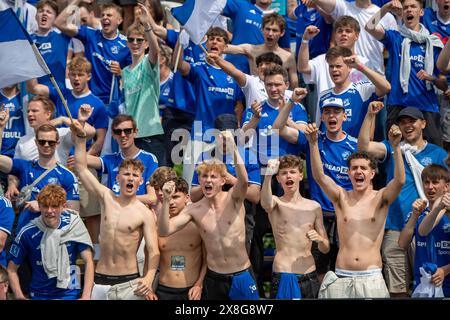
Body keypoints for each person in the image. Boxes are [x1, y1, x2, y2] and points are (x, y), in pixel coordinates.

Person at [304, 121, 405, 298]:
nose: (359, 172)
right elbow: (320, 177)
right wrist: (313, 144)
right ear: (348, 173)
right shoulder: (341, 197)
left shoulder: (381, 198)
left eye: (363, 168)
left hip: (371, 277)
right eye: (354, 168)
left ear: (372, 173)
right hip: (342, 275)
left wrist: (396, 148)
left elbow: (399, 181)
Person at [358, 101, 448, 297]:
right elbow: (363, 147)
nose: (407, 125)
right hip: (394, 226)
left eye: (412, 121)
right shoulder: (391, 146)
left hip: (426, 230)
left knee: (425, 287)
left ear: (423, 124)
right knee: (396, 291)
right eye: (403, 122)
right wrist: (370, 115)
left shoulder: (438, 153)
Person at [158, 131, 259, 300]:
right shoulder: (194, 209)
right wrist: (166, 201)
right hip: (214, 278)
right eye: (204, 176)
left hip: (240, 274)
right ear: (199, 179)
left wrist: (234, 149)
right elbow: (164, 231)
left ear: (223, 181)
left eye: (213, 176)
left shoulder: (234, 199)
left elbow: (243, 181)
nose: (208, 180)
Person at [273, 92, 357, 283]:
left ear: (344, 116)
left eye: (337, 111)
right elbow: (278, 128)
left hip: (344, 215)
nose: (332, 116)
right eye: (327, 112)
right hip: (317, 215)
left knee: (344, 268)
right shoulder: (313, 137)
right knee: (318, 270)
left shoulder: (354, 145)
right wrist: (292, 101)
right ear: (323, 117)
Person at [72, 120, 159, 300]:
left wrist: (149, 278)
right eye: (126, 174)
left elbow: (154, 251)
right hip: (100, 281)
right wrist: (81, 139)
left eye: (135, 175)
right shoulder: (106, 198)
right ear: (118, 178)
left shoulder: (144, 213)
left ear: (141, 182)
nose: (130, 178)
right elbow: (80, 167)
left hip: (128, 284)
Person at [366, 0, 448, 146]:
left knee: (434, 157)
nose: (409, 10)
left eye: (413, 7)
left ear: (421, 12)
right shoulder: (395, 38)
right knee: (395, 155)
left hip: (427, 107)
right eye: (405, 8)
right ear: (402, 13)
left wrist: (431, 78)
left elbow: (443, 85)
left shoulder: (433, 43)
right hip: (398, 105)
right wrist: (385, 8)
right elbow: (369, 27)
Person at [174, 27, 244, 185]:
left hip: (224, 139)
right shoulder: (199, 69)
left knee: (220, 184)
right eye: (211, 39)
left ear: (225, 47)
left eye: (219, 40)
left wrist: (236, 132)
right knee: (191, 184)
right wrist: (180, 40)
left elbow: (238, 106)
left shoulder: (233, 73)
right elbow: (178, 64)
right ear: (206, 44)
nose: (214, 42)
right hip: (200, 135)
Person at [7, 184, 94, 300]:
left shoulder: (74, 224)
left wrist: (86, 296)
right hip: (40, 294)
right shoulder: (27, 232)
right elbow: (11, 269)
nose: (49, 211)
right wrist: (19, 296)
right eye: (45, 206)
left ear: (63, 206)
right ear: (39, 206)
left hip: (70, 294)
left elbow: (88, 261)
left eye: (54, 206)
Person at [261, 155, 329, 299]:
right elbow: (265, 203)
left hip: (309, 274)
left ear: (300, 175)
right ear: (278, 179)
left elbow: (325, 248)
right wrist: (268, 175)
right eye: (284, 173)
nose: (288, 176)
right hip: (284, 273)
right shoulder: (275, 203)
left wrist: (320, 240)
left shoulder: (314, 207)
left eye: (292, 172)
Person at [0, 123, 80, 233]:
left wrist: (44, 207)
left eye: (51, 142)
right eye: (42, 142)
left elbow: (74, 213)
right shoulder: (25, 167)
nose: (46, 145)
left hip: (52, 236)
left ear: (57, 143)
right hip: (24, 234)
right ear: (36, 143)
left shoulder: (66, 175)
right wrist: (1, 128)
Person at [27, 56, 108, 157]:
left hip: (78, 156)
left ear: (88, 76)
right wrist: (29, 62)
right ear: (68, 75)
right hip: (56, 153)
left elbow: (100, 140)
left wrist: (83, 159)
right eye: (73, 75)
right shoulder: (61, 94)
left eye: (80, 75)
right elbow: (33, 88)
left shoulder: (98, 104)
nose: (76, 78)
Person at [55, 0, 132, 104]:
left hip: (111, 102)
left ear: (119, 20)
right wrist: (76, 1)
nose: (105, 17)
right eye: (103, 15)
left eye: (109, 15)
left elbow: (134, 78)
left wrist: (121, 72)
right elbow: (59, 23)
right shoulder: (91, 35)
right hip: (89, 99)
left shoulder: (126, 45)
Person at [121, 4, 164, 164]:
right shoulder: (124, 71)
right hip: (131, 136)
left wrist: (147, 25)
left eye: (139, 40)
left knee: (157, 182)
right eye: (131, 39)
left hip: (151, 133)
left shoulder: (147, 63)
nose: (135, 43)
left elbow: (156, 51)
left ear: (145, 44)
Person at [316, 46, 391, 137]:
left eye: (338, 66)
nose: (334, 70)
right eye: (331, 66)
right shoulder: (323, 96)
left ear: (349, 67)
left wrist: (360, 67)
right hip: (329, 150)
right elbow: (318, 128)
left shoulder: (362, 90)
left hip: (356, 150)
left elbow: (386, 87)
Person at [398, 164, 450, 296]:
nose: (430, 187)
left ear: (446, 187)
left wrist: (445, 270)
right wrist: (414, 215)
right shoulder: (418, 213)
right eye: (426, 182)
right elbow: (402, 244)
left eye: (435, 182)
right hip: (422, 285)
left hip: (447, 283)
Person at [311, 0, 398, 75]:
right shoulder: (343, 7)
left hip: (375, 77)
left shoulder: (386, 17)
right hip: (349, 79)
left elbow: (395, 51)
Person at [157, 177, 206, 300]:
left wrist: (199, 285)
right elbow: (149, 258)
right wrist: (148, 285)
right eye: (168, 197)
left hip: (191, 290)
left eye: (176, 197)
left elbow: (207, 259)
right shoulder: (157, 224)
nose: (171, 202)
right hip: (163, 289)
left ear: (187, 197)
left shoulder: (198, 224)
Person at [225, 13, 298, 88]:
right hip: (254, 96)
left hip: (278, 96)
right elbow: (223, 48)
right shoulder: (251, 50)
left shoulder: (289, 57)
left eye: (275, 30)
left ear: (282, 33)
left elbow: (294, 85)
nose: (270, 33)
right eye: (267, 29)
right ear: (262, 29)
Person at [207, 51, 284, 108]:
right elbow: (234, 71)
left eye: (267, 63)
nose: (263, 67)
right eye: (260, 65)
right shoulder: (252, 82)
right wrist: (218, 60)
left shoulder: (288, 93)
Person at [31, 0, 72, 90]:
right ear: (36, 16)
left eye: (49, 12)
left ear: (56, 17)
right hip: (35, 94)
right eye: (41, 11)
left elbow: (70, 14)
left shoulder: (62, 36)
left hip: (58, 93)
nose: (44, 14)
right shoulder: (28, 40)